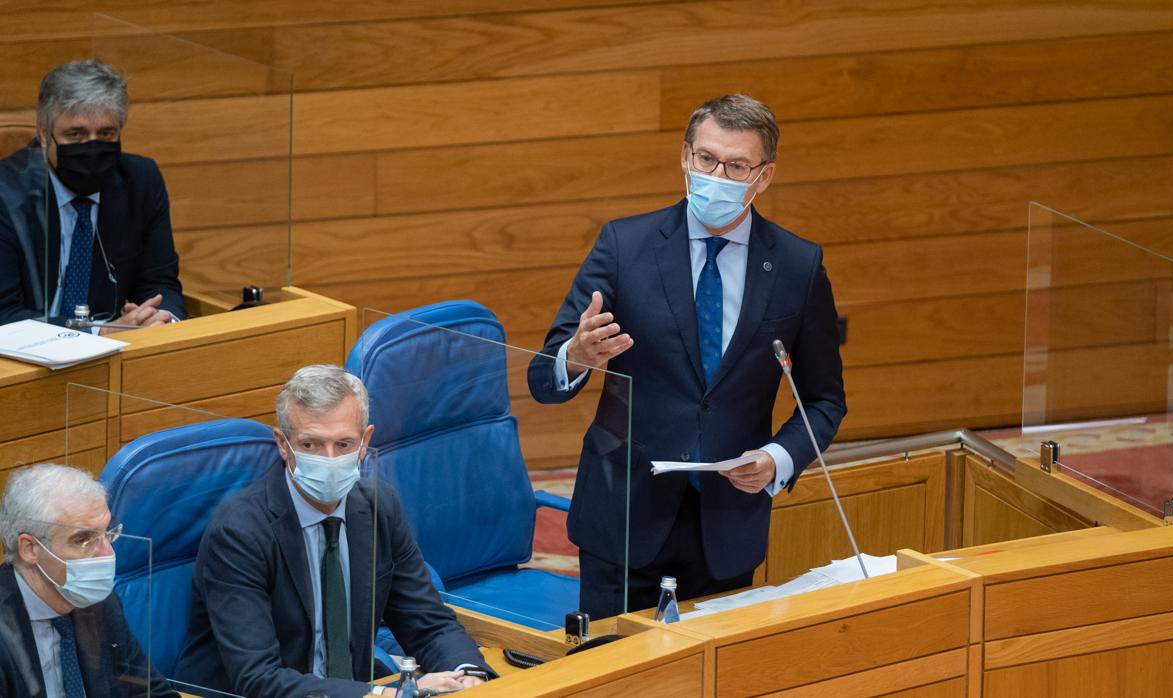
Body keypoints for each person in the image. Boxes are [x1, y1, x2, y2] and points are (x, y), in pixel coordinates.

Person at [527, 94, 847, 618]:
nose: (717, 174)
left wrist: (777, 460)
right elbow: (543, 376)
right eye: (706, 159)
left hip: (727, 526)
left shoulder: (797, 266)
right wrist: (577, 355)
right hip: (624, 515)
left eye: (737, 165)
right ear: (685, 157)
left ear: (763, 177)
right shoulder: (624, 245)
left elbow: (824, 401)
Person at [176, 364, 492, 697]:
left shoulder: (378, 508)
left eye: (343, 444)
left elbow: (428, 623)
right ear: (283, 444)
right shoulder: (239, 531)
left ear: (365, 441)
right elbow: (258, 679)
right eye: (310, 445)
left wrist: (469, 675)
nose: (329, 460)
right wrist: (386, 696)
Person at [0, 59, 185, 331]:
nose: (91, 147)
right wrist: (98, 332)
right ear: (43, 134)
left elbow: (160, 282)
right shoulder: (7, 194)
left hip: (120, 353)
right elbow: (4, 314)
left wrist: (158, 318)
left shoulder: (141, 181)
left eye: (106, 134)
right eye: (75, 134)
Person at [0, 463, 179, 697]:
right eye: (83, 539)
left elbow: (151, 692)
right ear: (30, 548)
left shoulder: (100, 602)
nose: (107, 554)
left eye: (106, 533)